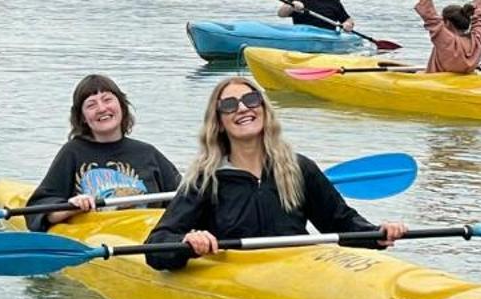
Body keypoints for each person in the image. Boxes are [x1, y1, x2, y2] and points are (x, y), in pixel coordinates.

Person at [142, 77, 406, 268]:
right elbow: (157, 247)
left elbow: (341, 223)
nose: (243, 108)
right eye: (230, 105)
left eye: (251, 99)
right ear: (219, 123)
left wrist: (377, 234)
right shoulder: (205, 179)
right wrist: (189, 241)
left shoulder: (299, 168)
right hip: (239, 277)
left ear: (264, 110)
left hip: (296, 271)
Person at [25, 73, 182, 229]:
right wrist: (69, 207)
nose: (101, 108)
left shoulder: (148, 153)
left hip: (146, 234)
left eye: (107, 100)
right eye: (91, 105)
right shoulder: (72, 153)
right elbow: (39, 208)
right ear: (83, 117)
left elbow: (185, 199)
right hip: (99, 234)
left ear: (121, 105)